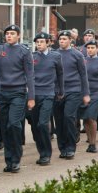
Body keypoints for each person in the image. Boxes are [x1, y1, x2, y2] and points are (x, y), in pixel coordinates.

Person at [0, 24, 35, 173]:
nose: (9, 36)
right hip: (2, 93)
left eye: (12, 33)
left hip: (18, 92)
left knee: (14, 124)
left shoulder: (24, 51)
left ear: (18, 35)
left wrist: (31, 97)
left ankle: (16, 159)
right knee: (4, 127)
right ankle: (9, 160)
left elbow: (30, 75)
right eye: (7, 34)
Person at [55, 30, 90, 159]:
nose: (62, 41)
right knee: (59, 120)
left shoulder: (77, 55)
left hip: (74, 90)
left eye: (65, 39)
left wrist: (86, 93)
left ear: (70, 40)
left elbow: (83, 74)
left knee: (69, 117)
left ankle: (70, 147)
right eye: (60, 39)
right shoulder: (55, 54)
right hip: (57, 92)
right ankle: (62, 147)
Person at [31, 32, 64, 165]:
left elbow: (60, 74)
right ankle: (41, 152)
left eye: (41, 42)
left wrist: (61, 90)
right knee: (35, 126)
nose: (39, 44)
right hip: (34, 95)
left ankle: (46, 154)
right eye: (37, 42)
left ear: (48, 42)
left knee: (43, 123)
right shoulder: (32, 57)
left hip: (48, 94)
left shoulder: (55, 56)